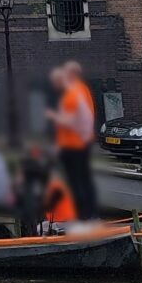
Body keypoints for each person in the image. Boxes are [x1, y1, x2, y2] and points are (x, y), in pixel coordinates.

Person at [48, 62, 97, 220]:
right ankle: (88, 215)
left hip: (74, 146)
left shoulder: (74, 94)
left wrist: (53, 116)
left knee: (77, 181)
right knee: (82, 179)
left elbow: (73, 121)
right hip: (75, 143)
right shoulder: (80, 91)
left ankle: (84, 216)